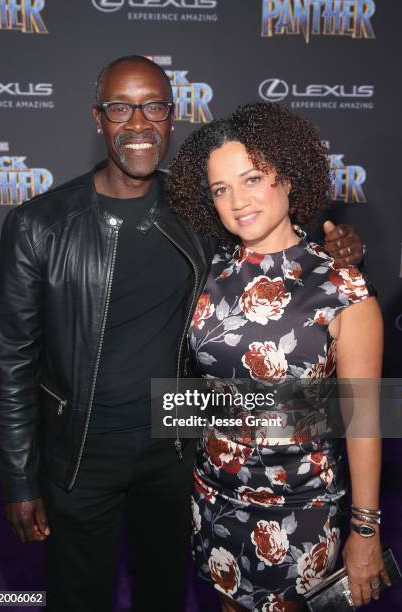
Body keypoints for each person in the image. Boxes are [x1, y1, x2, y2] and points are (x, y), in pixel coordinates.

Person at [0, 55, 361, 612]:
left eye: (154, 106)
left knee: (164, 592)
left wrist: (333, 248)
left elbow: (269, 242)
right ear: (98, 118)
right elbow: (11, 360)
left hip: (179, 450)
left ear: (171, 115)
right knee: (78, 596)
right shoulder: (40, 223)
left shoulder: (197, 212)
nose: (138, 123)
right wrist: (19, 480)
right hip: (82, 452)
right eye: (120, 107)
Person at [166, 102, 390, 611]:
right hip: (214, 497)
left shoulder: (342, 286)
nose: (237, 201)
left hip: (301, 509)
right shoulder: (208, 271)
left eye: (252, 179)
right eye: (221, 189)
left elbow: (364, 419)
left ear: (288, 179)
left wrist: (366, 528)